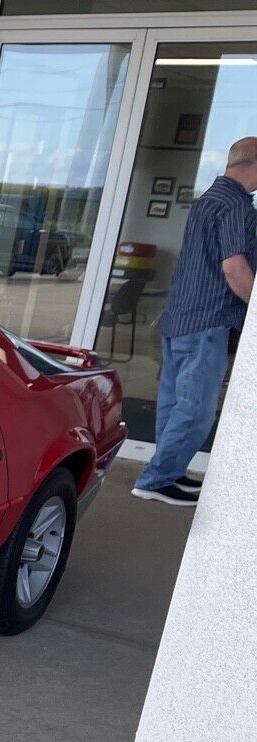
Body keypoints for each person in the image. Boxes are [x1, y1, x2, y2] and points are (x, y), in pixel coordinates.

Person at [133, 137, 257, 506]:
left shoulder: (207, 201)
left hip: (180, 318)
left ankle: (167, 474)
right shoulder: (237, 205)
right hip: (207, 321)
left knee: (175, 404)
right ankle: (156, 478)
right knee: (196, 408)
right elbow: (234, 270)